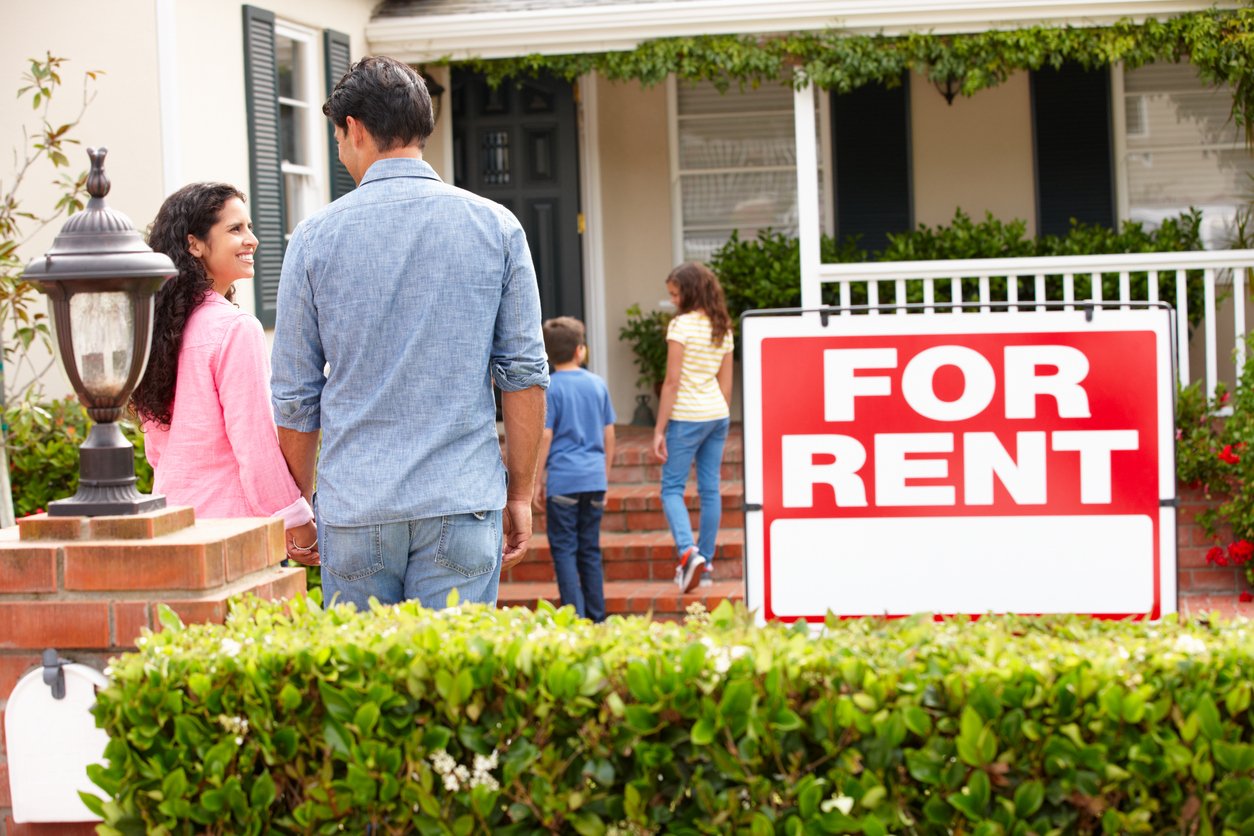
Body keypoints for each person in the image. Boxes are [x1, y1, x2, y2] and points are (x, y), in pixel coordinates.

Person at [271, 56, 548, 611]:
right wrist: (520, 492)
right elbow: (523, 377)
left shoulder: (313, 238)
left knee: (361, 689)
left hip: (357, 506)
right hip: (462, 497)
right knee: (453, 690)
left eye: (339, 137)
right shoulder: (497, 226)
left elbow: (296, 397)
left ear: (353, 128)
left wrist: (298, 506)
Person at [131, 183, 319, 565]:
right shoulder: (234, 329)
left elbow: (156, 450)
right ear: (195, 244)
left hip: (174, 525)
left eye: (249, 227)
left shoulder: (156, 329)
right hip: (235, 533)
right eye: (235, 229)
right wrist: (297, 522)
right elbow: (255, 445)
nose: (252, 240)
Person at [652, 261, 734, 593]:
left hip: (686, 416)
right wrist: (719, 414)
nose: (672, 300)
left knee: (671, 489)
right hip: (717, 415)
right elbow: (726, 384)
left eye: (674, 294)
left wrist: (659, 430)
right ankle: (707, 561)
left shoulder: (681, 326)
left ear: (689, 291)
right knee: (710, 489)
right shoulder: (722, 326)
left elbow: (671, 383)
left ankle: (688, 552)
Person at [533, 317, 616, 622]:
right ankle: (597, 617)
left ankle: (574, 618)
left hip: (564, 482)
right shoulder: (598, 384)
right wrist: (604, 477)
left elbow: (545, 436)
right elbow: (610, 435)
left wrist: (536, 481)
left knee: (565, 551)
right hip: (594, 479)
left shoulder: (550, 388)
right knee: (590, 551)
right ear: (581, 350)